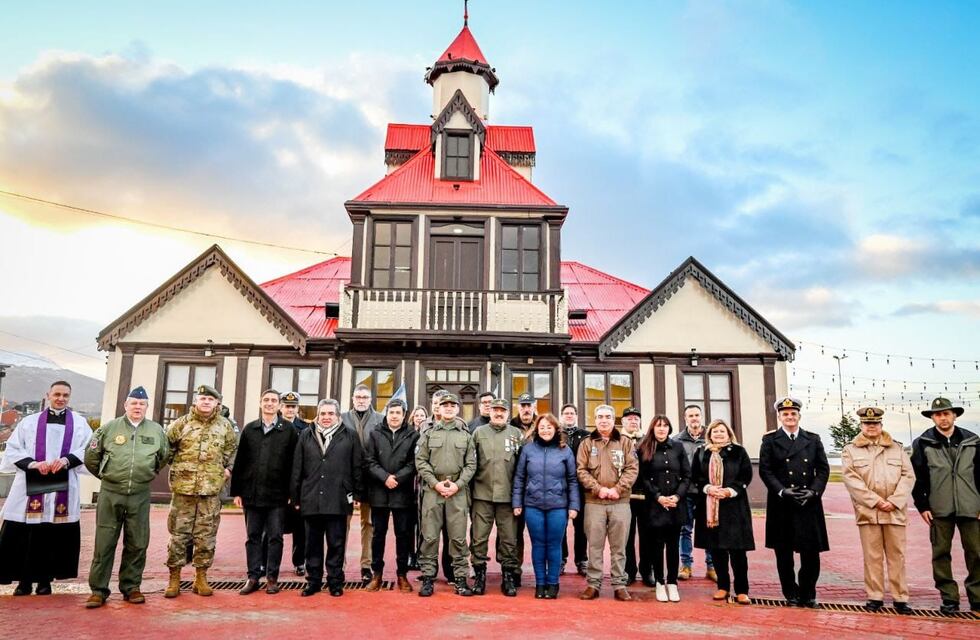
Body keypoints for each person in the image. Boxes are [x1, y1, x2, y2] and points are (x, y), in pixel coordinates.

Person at [0, 381, 91, 596]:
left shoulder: (79, 423)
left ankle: (44, 580)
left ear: (70, 397)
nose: (61, 398)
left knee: (51, 535)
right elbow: (13, 449)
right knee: (26, 533)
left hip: (63, 485)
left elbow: (89, 449)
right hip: (30, 483)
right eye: (57, 394)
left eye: (65, 395)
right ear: (48, 395)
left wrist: (68, 460)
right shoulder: (29, 422)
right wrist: (34, 464)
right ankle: (23, 581)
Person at [83, 386, 168, 608]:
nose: (137, 407)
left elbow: (163, 457)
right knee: (104, 542)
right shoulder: (109, 428)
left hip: (139, 494)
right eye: (133, 403)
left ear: (147, 407)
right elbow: (91, 456)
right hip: (111, 493)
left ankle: (131, 587)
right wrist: (107, 476)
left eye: (141, 404)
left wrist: (146, 473)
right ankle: (98, 590)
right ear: (125, 405)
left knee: (138, 542)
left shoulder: (156, 430)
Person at [163, 384, 238, 598]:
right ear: (196, 401)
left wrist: (226, 470)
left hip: (210, 491)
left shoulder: (225, 426)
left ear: (217, 403)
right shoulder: (181, 423)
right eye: (202, 398)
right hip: (183, 491)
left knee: (206, 536)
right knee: (178, 536)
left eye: (210, 399)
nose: (206, 402)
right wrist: (178, 468)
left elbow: (232, 451)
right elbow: (167, 448)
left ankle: (201, 577)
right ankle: (174, 578)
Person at [841, 407, 915, 614]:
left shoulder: (897, 448)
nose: (871, 427)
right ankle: (875, 596)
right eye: (867, 424)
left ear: (881, 425)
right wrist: (875, 501)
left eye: (875, 424)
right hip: (868, 512)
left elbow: (908, 476)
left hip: (894, 510)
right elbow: (851, 479)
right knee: (872, 556)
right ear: (861, 425)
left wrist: (894, 501)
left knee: (896, 556)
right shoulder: (850, 449)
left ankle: (900, 597)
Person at [911, 397, 980, 614]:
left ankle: (977, 597)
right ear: (932, 417)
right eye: (938, 414)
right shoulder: (923, 442)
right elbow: (918, 478)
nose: (943, 418)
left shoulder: (973, 441)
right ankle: (949, 598)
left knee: (976, 553)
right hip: (939, 508)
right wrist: (922, 506)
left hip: (971, 507)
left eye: (947, 413)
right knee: (940, 553)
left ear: (954, 415)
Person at [759, 397, 830, 608]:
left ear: (799, 416)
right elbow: (766, 470)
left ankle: (808, 594)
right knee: (784, 552)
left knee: (811, 553)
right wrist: (781, 490)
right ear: (779, 417)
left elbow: (823, 469)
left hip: (808, 503)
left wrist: (815, 491)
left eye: (793, 413)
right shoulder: (770, 440)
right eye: (785, 414)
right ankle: (791, 593)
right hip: (782, 504)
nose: (790, 417)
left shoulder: (813, 439)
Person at [292, 399, 363, 597]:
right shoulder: (306, 435)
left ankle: (335, 582)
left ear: (338, 416)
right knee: (312, 544)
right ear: (318, 415)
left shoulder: (350, 436)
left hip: (338, 498)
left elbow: (357, 466)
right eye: (323, 413)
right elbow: (297, 467)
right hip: (311, 497)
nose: (326, 417)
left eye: (330, 414)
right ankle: (313, 581)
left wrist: (357, 493)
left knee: (336, 543)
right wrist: (295, 496)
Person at [230, 389, 298, 595]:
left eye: (274, 401)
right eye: (266, 400)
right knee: (253, 536)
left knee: (275, 537)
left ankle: (271, 577)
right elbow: (240, 462)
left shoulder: (288, 430)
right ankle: (252, 577)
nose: (270, 403)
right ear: (260, 403)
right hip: (252, 494)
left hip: (278, 495)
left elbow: (294, 464)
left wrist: (291, 492)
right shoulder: (250, 429)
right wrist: (237, 492)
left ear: (279, 405)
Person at [512, 413, 580, 599]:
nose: (545, 430)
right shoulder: (528, 449)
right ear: (537, 429)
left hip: (558, 506)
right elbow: (519, 478)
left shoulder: (564, 450)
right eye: (542, 427)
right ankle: (540, 583)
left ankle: (553, 583)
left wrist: (574, 506)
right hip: (533, 506)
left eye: (549, 427)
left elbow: (573, 480)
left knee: (554, 544)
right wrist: (517, 502)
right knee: (538, 544)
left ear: (556, 429)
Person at [415, 393, 477, 597]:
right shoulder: (429, 433)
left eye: (452, 405)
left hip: (457, 493)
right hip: (433, 492)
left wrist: (457, 485)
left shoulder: (465, 435)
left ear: (458, 409)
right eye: (445, 405)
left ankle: (460, 579)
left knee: (458, 538)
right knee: (430, 537)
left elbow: (471, 464)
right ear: (438, 409)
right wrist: (435, 483)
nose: (449, 408)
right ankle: (427, 578)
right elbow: (421, 461)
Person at [577, 404, 639, 601]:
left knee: (619, 546)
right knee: (594, 546)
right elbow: (581, 470)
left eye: (607, 417)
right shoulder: (587, 443)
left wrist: (617, 489)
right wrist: (599, 489)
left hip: (620, 502)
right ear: (594, 420)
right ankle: (593, 584)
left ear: (614, 420)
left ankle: (619, 584)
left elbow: (632, 469)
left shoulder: (625, 443)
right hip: (594, 502)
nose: (603, 420)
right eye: (600, 417)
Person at [690, 419, 754, 605]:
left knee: (738, 552)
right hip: (711, 507)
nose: (718, 434)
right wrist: (708, 488)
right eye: (715, 431)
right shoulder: (702, 452)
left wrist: (729, 491)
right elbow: (696, 477)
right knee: (717, 550)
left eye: (722, 431)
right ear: (710, 434)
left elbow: (746, 475)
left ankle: (742, 590)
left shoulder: (739, 452)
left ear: (728, 433)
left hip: (734, 507)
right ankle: (723, 587)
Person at [363, 399, 419, 593]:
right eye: (391, 412)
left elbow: (414, 463)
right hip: (379, 492)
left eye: (398, 412)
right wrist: (385, 477)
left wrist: (398, 478)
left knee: (403, 536)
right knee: (378, 535)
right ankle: (376, 574)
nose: (394, 416)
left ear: (404, 415)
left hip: (402, 494)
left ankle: (402, 574)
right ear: (386, 413)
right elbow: (369, 461)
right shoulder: (375, 433)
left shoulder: (413, 435)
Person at [469, 398, 524, 596]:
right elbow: (470, 464)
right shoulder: (478, 433)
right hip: (481, 495)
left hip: (508, 497)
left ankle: (508, 576)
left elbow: (522, 468)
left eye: (502, 410)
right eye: (495, 410)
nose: (499, 413)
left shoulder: (517, 434)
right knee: (479, 538)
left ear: (508, 413)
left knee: (509, 539)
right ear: (489, 412)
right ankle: (479, 574)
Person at [637, 415, 689, 602]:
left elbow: (686, 475)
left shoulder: (678, 447)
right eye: (658, 426)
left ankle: (672, 582)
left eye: (665, 426)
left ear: (669, 428)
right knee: (657, 545)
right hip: (655, 505)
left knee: (673, 545)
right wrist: (659, 497)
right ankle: (660, 581)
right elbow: (643, 477)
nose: (662, 429)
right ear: (652, 428)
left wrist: (676, 496)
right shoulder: (644, 447)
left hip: (676, 503)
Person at [341, 384, 384, 583]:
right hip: (345, 478)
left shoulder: (380, 419)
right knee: (342, 523)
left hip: (370, 479)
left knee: (369, 523)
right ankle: (338, 565)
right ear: (352, 398)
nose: (361, 400)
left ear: (370, 399)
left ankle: (366, 565)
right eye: (357, 396)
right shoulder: (342, 418)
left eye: (365, 397)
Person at [674, 404, 714, 582]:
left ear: (702, 416)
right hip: (687, 492)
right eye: (690, 416)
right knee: (685, 529)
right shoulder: (677, 441)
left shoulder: (712, 438)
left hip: (707, 492)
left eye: (697, 415)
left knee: (710, 528)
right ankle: (686, 565)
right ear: (685, 419)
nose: (694, 418)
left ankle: (712, 566)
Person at [279, 391, 309, 576]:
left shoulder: (305, 428)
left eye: (293, 406)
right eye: (287, 406)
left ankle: (299, 562)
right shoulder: (274, 425)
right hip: (278, 484)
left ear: (297, 408)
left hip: (298, 484)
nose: (290, 409)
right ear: (281, 407)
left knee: (300, 528)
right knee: (274, 527)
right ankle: (269, 562)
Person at [559, 403, 590, 577]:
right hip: (561, 487)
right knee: (561, 525)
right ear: (562, 415)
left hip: (581, 487)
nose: (569, 416)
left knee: (581, 526)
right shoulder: (557, 435)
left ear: (576, 416)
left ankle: (581, 560)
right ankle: (561, 559)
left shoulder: (586, 436)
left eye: (572, 413)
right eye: (566, 413)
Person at [620, 406, 648, 586]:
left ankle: (647, 571)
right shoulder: (618, 440)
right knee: (626, 537)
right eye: (629, 418)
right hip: (625, 496)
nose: (633, 421)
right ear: (623, 422)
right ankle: (629, 571)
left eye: (636, 418)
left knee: (647, 536)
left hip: (646, 497)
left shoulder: (647, 441)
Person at [407, 405, 428, 570]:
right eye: (417, 415)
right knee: (409, 524)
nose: (419, 418)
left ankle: (421, 556)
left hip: (423, 484)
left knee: (422, 526)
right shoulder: (409, 435)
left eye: (422, 415)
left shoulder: (428, 433)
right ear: (412, 418)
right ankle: (410, 555)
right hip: (409, 484)